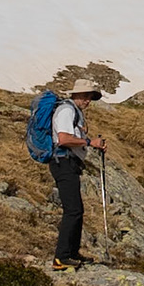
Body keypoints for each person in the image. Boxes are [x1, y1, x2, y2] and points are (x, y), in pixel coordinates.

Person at [48, 79, 105, 270]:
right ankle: (61, 257)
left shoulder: (74, 112)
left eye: (90, 97)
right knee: (72, 210)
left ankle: (72, 253)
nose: (88, 100)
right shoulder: (67, 110)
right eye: (85, 96)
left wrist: (91, 142)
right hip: (63, 162)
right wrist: (89, 143)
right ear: (75, 94)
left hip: (68, 163)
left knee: (76, 210)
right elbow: (63, 139)